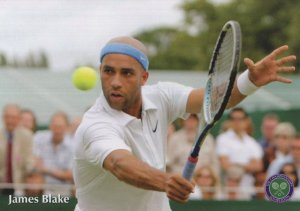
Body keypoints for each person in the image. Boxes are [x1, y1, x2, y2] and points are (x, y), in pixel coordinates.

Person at [72, 36, 296, 211]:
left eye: (127, 73)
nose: (116, 82)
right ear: (100, 71)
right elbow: (120, 165)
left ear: (144, 77)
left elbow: (213, 100)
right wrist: (167, 181)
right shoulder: (95, 125)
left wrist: (250, 81)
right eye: (108, 71)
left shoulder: (162, 96)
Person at [216, 107, 263, 191]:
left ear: (246, 121)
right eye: (234, 119)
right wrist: (248, 166)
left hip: (248, 189)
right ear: (229, 121)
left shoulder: (252, 142)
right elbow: (225, 165)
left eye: (240, 119)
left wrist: (236, 165)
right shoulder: (222, 139)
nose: (237, 122)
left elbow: (258, 166)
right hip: (228, 190)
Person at [34, 111, 73, 195]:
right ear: (50, 126)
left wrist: (46, 170)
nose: (57, 130)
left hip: (63, 191)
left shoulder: (72, 145)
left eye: (60, 127)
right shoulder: (39, 138)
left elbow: (70, 175)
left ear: (66, 128)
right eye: (55, 126)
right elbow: (35, 164)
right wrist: (61, 173)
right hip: (41, 189)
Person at [0, 104, 34, 195]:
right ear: (3, 118)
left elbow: (29, 161)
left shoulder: (27, 136)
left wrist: (32, 171)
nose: (10, 121)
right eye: (8, 117)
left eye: (14, 117)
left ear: (19, 119)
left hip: (20, 186)